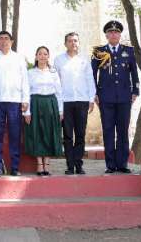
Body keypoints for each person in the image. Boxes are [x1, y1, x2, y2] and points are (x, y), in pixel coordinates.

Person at [92, 20, 139, 174]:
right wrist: (94, 94)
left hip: (125, 98)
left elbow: (134, 73)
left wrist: (135, 91)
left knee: (123, 131)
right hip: (105, 98)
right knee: (108, 131)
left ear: (120, 34)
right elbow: (92, 74)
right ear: (106, 35)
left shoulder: (128, 51)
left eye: (116, 32)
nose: (113, 34)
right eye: (110, 32)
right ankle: (110, 165)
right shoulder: (99, 51)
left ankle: (122, 163)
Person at [0, 31, 30, 177]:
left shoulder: (19, 58)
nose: (4, 41)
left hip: (15, 101)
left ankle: (15, 167)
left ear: (12, 41)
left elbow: (25, 80)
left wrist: (25, 99)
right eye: (1, 39)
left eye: (6, 39)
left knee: (15, 134)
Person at [54, 32, 97, 175]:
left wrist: (91, 99)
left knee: (80, 134)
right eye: (70, 41)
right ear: (65, 43)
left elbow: (90, 80)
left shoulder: (84, 60)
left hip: (82, 101)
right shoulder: (59, 60)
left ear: (79, 43)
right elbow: (56, 83)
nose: (73, 43)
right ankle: (69, 165)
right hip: (65, 102)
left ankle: (79, 164)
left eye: (76, 41)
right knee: (67, 135)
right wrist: (58, 104)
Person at [25, 46, 63, 176]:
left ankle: (47, 163)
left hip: (50, 104)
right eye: (40, 54)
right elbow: (27, 93)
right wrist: (27, 112)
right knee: (37, 133)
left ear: (48, 56)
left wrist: (60, 110)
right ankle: (39, 164)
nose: (42, 56)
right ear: (36, 57)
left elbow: (59, 92)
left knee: (49, 132)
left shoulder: (53, 72)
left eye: (45, 54)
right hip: (35, 103)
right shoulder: (30, 73)